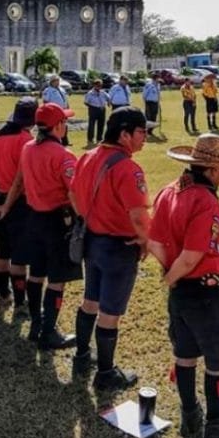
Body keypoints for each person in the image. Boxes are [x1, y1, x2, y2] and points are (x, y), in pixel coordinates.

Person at [147, 133, 219, 438]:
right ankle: (217, 424)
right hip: (206, 290)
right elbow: (193, 255)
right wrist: (175, 275)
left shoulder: (169, 190)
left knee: (185, 354)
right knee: (218, 358)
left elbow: (154, 243)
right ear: (212, 170)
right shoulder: (205, 201)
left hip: (180, 291)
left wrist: (172, 276)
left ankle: (189, 416)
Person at [70, 107, 150, 391]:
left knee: (90, 299)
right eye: (142, 132)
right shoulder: (128, 168)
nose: (146, 138)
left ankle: (81, 357)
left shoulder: (88, 156)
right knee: (110, 311)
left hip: (92, 240)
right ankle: (105, 373)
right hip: (119, 246)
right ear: (125, 134)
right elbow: (139, 216)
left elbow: (73, 194)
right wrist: (145, 241)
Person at [0, 103, 80, 349]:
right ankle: (49, 331)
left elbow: (18, 182)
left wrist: (6, 207)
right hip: (58, 221)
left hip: (33, 219)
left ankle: (36, 324)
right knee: (57, 279)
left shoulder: (28, 148)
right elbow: (73, 191)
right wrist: (84, 218)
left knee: (37, 273)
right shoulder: (63, 156)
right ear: (58, 126)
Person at [0, 98, 38, 312]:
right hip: (17, 203)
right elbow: (20, 180)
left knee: (2, 251)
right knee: (19, 256)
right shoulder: (26, 140)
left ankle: (4, 294)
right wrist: (7, 205)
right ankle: (19, 302)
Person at [43, 75, 71, 145]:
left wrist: (67, 107)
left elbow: (65, 99)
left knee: (64, 125)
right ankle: (56, 140)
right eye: (56, 81)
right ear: (52, 82)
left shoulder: (61, 89)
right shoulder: (48, 90)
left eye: (58, 81)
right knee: (56, 126)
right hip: (54, 111)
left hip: (63, 110)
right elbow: (45, 101)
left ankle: (65, 141)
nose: (57, 82)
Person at [83, 79, 109, 145]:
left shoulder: (103, 92)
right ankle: (90, 139)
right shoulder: (90, 93)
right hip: (93, 109)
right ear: (94, 85)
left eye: (100, 85)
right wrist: (92, 107)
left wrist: (108, 102)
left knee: (101, 125)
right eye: (98, 85)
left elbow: (108, 98)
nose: (99, 87)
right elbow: (85, 102)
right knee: (91, 125)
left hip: (102, 109)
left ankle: (99, 139)